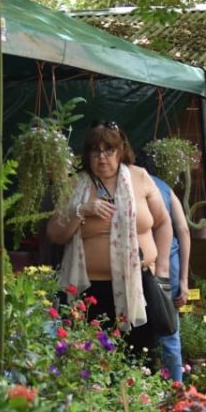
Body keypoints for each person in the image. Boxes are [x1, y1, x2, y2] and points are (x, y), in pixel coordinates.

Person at [47, 122, 172, 354]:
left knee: (139, 354)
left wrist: (163, 267)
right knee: (93, 356)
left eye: (109, 150)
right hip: (91, 290)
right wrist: (82, 210)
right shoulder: (76, 184)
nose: (102, 158)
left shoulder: (139, 177)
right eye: (95, 151)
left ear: (120, 150)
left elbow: (164, 223)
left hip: (138, 282)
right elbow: (55, 234)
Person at [141, 153, 192, 381]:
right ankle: (176, 389)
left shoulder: (131, 185)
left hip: (143, 263)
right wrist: (183, 279)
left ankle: (143, 385)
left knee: (140, 324)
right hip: (169, 263)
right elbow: (184, 230)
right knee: (169, 326)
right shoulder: (166, 188)